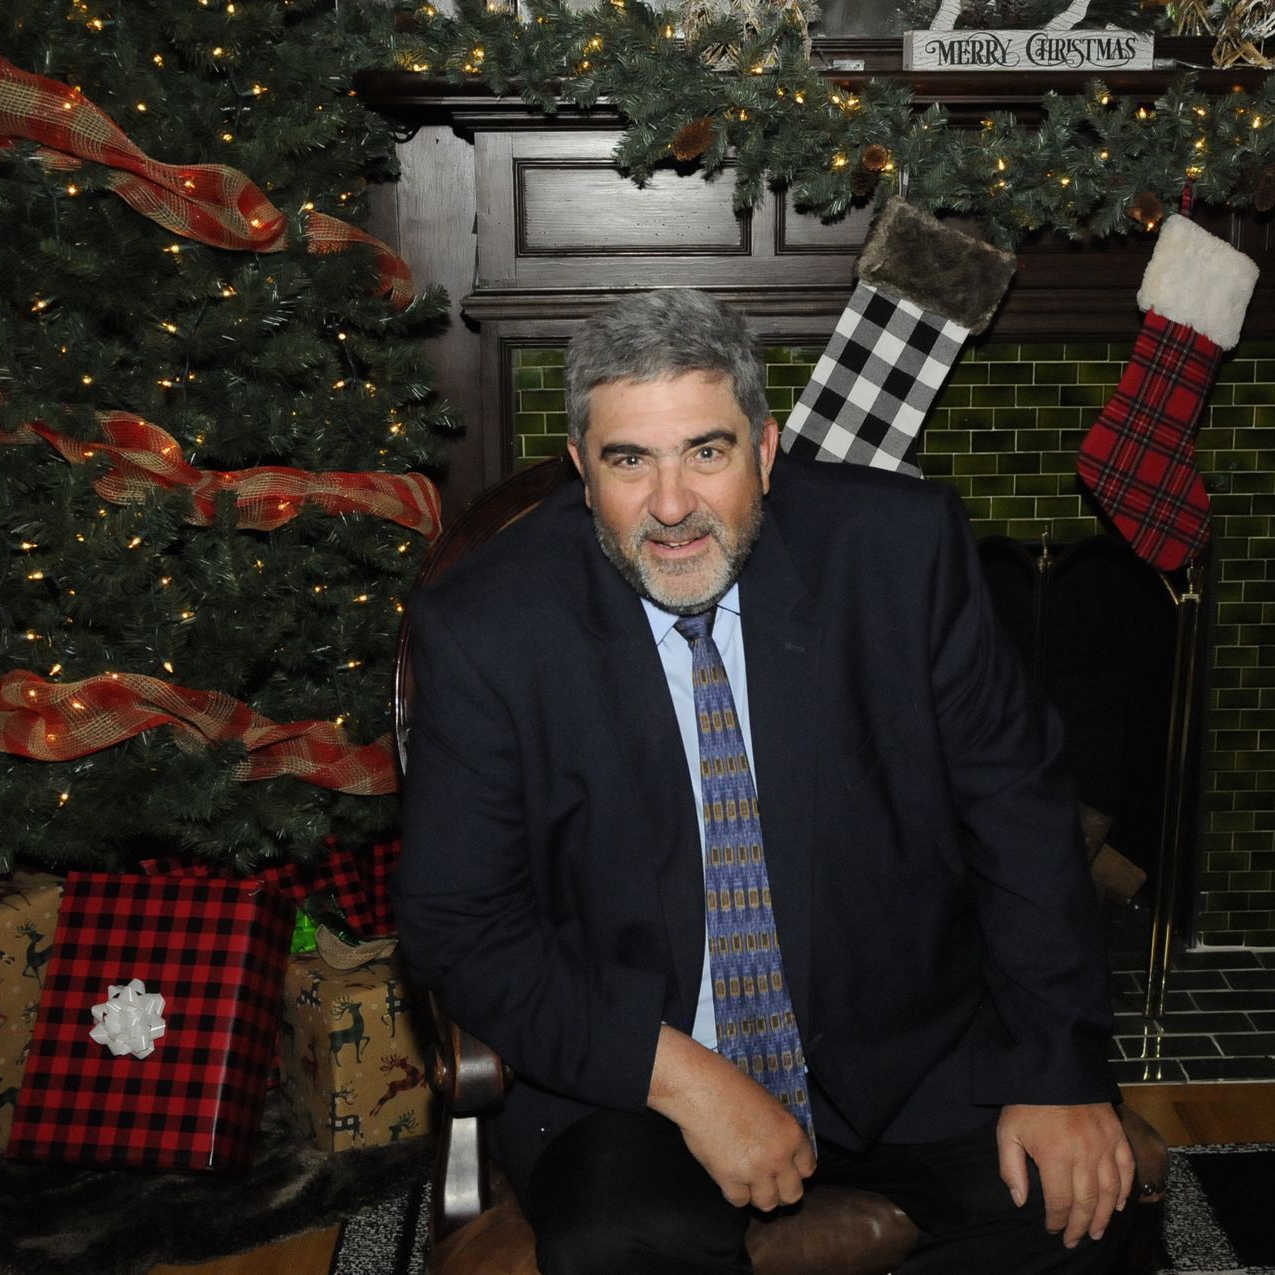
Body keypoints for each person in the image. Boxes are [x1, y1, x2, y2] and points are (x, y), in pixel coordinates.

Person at [396, 288, 1132, 1274]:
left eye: (707, 451)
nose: (670, 506)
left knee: (1084, 1214)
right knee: (628, 1244)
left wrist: (1059, 1066)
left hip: (900, 1035)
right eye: (629, 461)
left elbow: (1020, 814)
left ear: (767, 450)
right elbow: (459, 922)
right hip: (633, 1070)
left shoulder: (899, 556)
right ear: (582, 470)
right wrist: (684, 1080)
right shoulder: (484, 628)